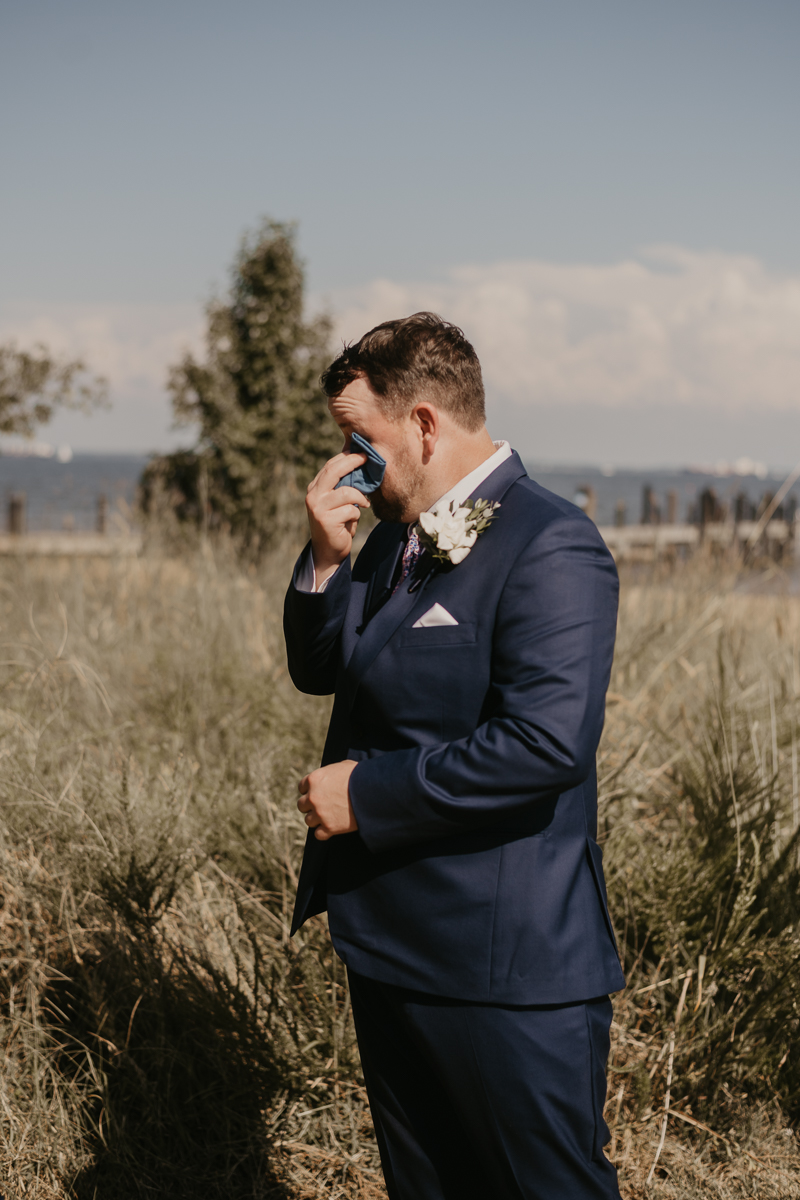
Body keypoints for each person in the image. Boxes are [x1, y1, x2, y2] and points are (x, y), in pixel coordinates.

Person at [284, 312, 624, 1200]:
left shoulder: (551, 543)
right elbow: (323, 671)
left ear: (426, 424)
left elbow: (544, 744)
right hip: (386, 945)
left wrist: (369, 794)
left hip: (502, 971)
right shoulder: (392, 536)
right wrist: (326, 558)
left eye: (361, 440)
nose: (350, 462)